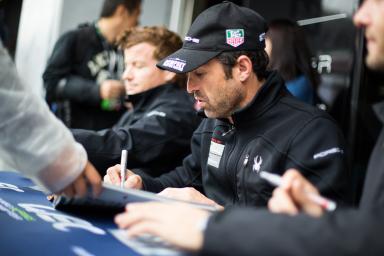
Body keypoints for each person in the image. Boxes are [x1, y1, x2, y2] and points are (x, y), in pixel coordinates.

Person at [112, 0, 384, 255]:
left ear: (242, 68)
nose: (190, 87)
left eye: (200, 74)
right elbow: (187, 178)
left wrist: (214, 219)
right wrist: (142, 183)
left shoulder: (313, 134)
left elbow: (325, 239)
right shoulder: (213, 122)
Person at [72, 26, 201, 176]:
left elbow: (121, 146)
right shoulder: (137, 109)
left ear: (169, 71)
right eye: (126, 66)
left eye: (137, 66)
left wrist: (59, 137)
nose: (126, 75)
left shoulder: (178, 112)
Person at [0, 41, 101, 197]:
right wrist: (59, 152)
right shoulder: (76, 39)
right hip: (68, 141)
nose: (127, 75)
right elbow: (50, 81)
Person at [43, 0, 141, 130]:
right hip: (76, 138)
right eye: (137, 15)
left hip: (112, 139)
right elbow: (51, 83)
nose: (138, 22)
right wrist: (97, 91)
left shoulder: (126, 48)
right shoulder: (75, 39)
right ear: (122, 11)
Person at [265, 19, 320, 105]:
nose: (263, 47)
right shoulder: (295, 82)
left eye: (266, 40)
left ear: (278, 45)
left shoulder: (297, 87)